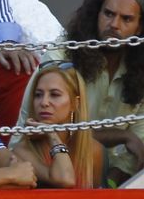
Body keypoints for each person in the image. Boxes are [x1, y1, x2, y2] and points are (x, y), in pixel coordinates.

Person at [41, 0, 144, 185]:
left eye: (126, 19)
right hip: (49, 164)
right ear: (96, 14)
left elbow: (141, 140)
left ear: (139, 28)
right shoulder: (63, 53)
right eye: (108, 14)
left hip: (108, 178)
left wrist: (111, 184)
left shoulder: (142, 71)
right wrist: (122, 136)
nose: (114, 25)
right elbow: (55, 128)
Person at [10, 61, 102, 189]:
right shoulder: (22, 151)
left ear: (75, 103)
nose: (44, 102)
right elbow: (65, 179)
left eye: (54, 95)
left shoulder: (93, 150)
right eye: (38, 95)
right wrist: (52, 135)